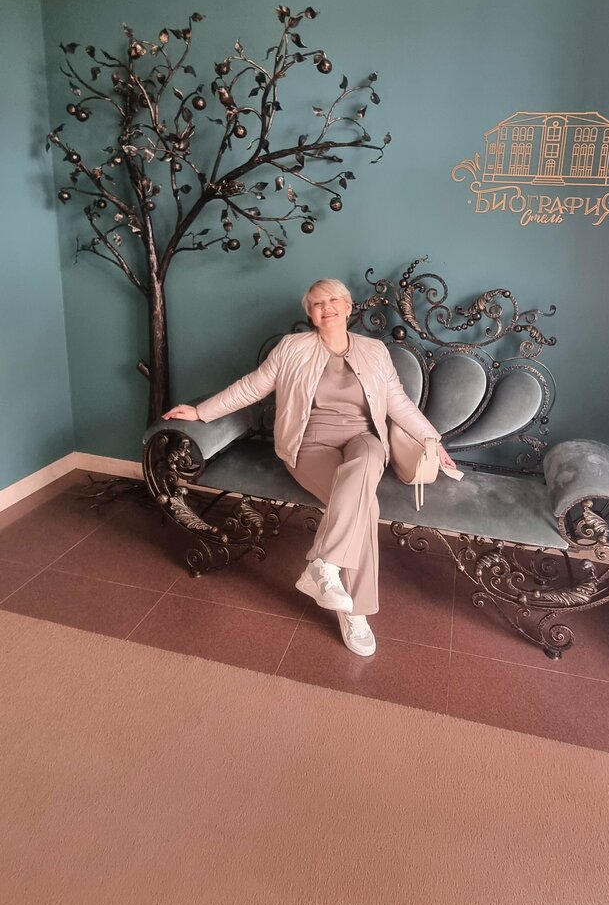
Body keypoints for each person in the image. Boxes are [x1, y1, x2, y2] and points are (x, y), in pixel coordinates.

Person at [163, 278, 456, 658]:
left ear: (348, 307)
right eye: (318, 303)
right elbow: (252, 387)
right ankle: (355, 611)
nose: (326, 307)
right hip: (310, 443)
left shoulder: (374, 351)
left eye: (334, 300)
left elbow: (398, 402)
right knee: (365, 507)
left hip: (363, 438)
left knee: (368, 457)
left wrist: (434, 441)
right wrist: (201, 411)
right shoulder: (292, 348)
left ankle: (325, 566)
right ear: (311, 314)